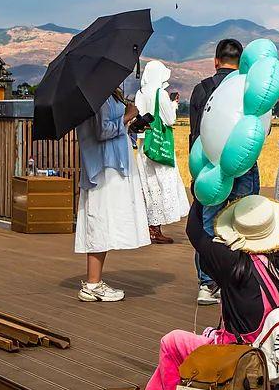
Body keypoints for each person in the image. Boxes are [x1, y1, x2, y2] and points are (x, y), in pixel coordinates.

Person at [143, 194, 279, 390]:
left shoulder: (234, 263)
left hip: (240, 356)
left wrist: (199, 195)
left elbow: (194, 232)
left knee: (172, 341)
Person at [188, 39, 261, 305]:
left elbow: (195, 133)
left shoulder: (202, 89)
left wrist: (197, 174)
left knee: (209, 224)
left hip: (209, 167)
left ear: (216, 61)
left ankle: (208, 284)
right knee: (243, 220)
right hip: (242, 164)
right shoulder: (247, 86)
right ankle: (240, 277)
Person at [74, 88, 150, 302]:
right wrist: (129, 114)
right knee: (100, 219)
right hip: (106, 167)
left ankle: (94, 281)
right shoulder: (99, 97)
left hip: (107, 164)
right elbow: (103, 130)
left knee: (101, 219)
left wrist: (129, 122)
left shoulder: (101, 95)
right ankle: (93, 283)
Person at [134, 60, 189, 245]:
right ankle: (155, 229)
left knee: (148, 186)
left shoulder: (140, 93)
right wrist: (173, 105)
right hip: (160, 145)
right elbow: (170, 120)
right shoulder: (161, 94)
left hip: (145, 146)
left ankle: (150, 227)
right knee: (162, 184)